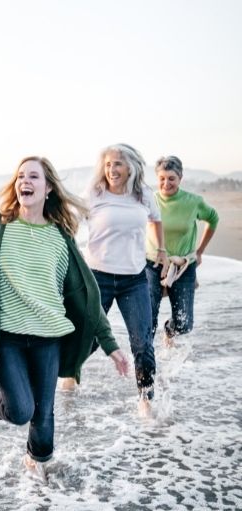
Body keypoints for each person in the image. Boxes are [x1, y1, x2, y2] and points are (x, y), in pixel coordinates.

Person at [0, 156, 128, 477]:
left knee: (44, 416)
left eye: (34, 176)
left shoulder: (60, 238)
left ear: (48, 187)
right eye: (21, 176)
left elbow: (87, 297)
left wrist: (110, 345)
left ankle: (36, 466)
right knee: (22, 410)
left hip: (49, 338)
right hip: (8, 338)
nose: (25, 181)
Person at [82, 143, 167, 416]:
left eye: (117, 164)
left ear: (130, 167)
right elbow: (68, 221)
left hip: (134, 279)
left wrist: (162, 250)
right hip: (98, 278)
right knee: (88, 339)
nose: (112, 169)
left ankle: (146, 397)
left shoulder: (143, 196)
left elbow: (156, 220)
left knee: (142, 341)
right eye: (107, 164)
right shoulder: (94, 194)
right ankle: (69, 373)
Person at [145, 155, 219, 342]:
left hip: (183, 265)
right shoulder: (150, 200)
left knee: (184, 323)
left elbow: (213, 219)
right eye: (162, 178)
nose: (166, 183)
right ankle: (146, 360)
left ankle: (169, 331)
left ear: (180, 178)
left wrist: (200, 251)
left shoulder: (193, 201)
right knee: (148, 316)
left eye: (171, 178)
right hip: (153, 264)